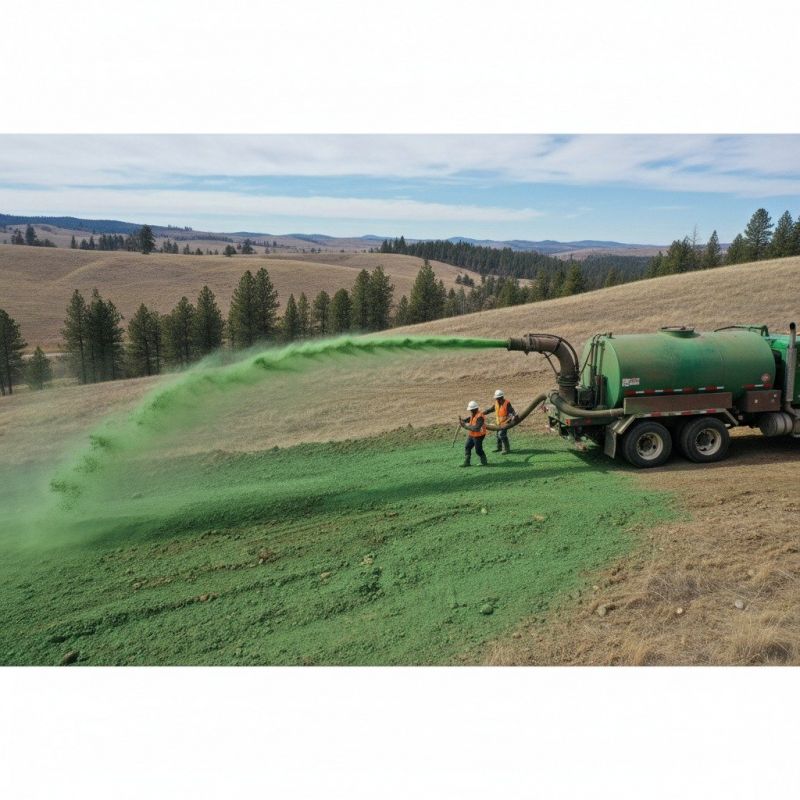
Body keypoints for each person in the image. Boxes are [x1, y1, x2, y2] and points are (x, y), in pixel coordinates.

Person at [485, 389, 517, 454]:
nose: (497, 400)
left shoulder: (507, 403)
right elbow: (490, 410)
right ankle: (499, 448)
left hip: (506, 422)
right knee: (498, 435)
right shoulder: (496, 403)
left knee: (501, 434)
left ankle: (506, 449)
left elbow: (512, 411)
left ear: (502, 397)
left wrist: (513, 416)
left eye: (498, 398)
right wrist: (482, 413)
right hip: (499, 423)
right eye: (496, 398)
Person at [459, 400, 489, 467]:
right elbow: (470, 419)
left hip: (479, 435)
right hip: (472, 434)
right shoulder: (474, 414)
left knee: (478, 450)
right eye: (470, 410)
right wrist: (463, 420)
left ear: (476, 409)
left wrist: (465, 426)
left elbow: (477, 428)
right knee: (467, 446)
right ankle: (467, 462)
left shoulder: (480, 417)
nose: (471, 411)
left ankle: (484, 461)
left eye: (471, 410)